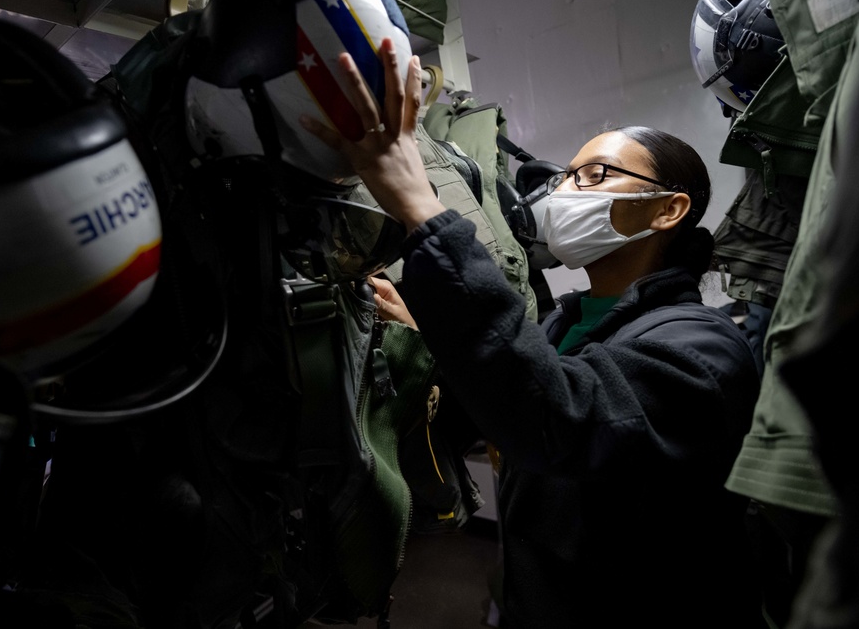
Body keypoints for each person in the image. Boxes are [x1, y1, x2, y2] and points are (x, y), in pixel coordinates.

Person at [302, 39, 764, 627]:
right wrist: (427, 335)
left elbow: (557, 416)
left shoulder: (702, 349)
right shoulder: (564, 322)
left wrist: (419, 204)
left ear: (667, 210)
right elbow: (511, 401)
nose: (567, 191)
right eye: (568, 175)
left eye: (595, 175)